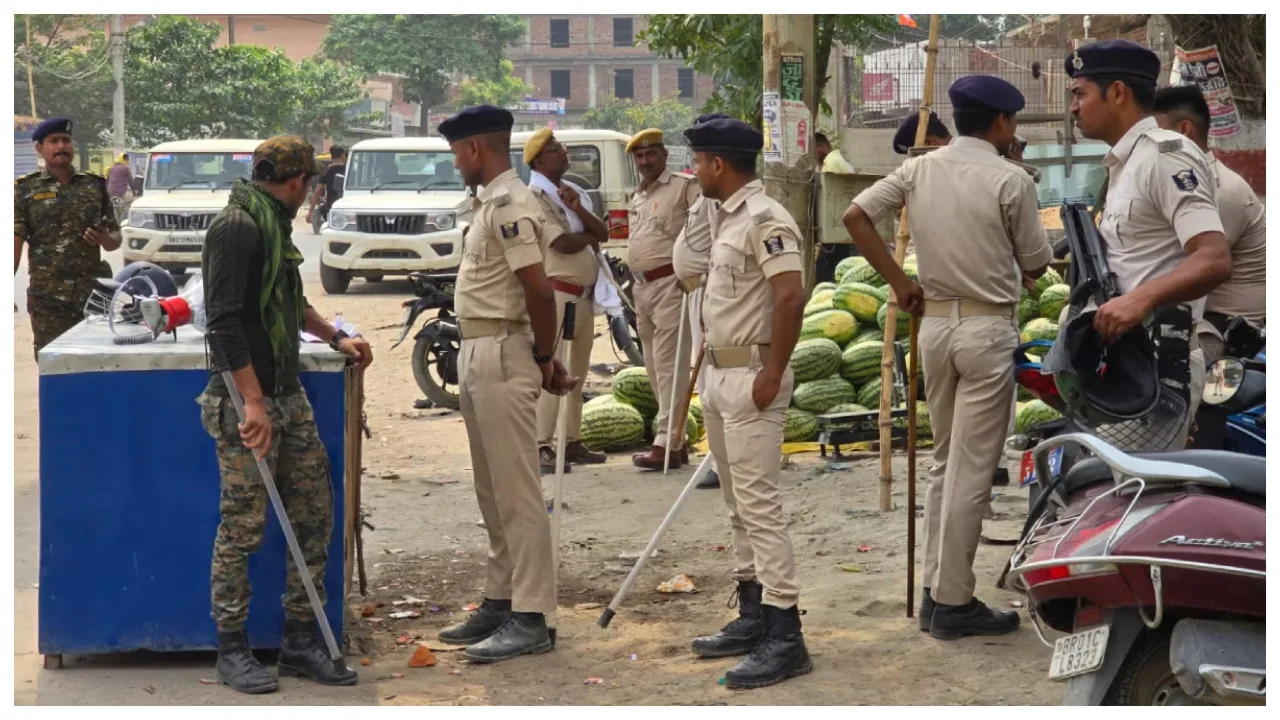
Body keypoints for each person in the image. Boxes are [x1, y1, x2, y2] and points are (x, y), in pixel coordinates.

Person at [844, 76, 1053, 640]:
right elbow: (1036, 263)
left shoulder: (918, 169)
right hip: (986, 328)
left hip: (932, 325)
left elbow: (855, 216)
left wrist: (898, 282)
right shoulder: (1011, 179)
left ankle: (939, 591)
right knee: (971, 470)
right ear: (1004, 124)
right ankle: (955, 601)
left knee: (942, 463)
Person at [198, 135, 373, 694]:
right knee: (243, 527)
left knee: (314, 513)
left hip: (287, 393)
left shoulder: (273, 224)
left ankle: (300, 639)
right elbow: (222, 324)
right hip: (244, 398)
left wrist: (336, 336)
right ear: (299, 183)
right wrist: (252, 402)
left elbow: (289, 302)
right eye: (312, 182)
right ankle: (232, 649)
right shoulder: (238, 228)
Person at [434, 105, 576, 663]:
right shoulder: (488, 203)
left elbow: (539, 292)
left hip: (503, 350)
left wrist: (544, 356)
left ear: (475, 150)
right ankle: (501, 597)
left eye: (455, 152)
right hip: (478, 348)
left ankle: (533, 615)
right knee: (492, 489)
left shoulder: (513, 204)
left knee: (517, 493)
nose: (455, 162)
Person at [684, 117, 811, 689]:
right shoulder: (723, 215)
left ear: (719, 164)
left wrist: (775, 371)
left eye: (699, 161)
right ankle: (754, 612)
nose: (694, 171)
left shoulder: (766, 218)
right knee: (738, 507)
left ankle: (786, 635)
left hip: (754, 376)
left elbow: (790, 296)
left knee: (761, 509)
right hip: (721, 376)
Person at [1066, 40, 1231, 440]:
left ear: (1118, 93)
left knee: (1143, 494)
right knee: (1114, 494)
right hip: (1122, 360)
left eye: (1079, 93)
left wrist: (1139, 300)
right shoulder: (1127, 162)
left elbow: (1213, 258)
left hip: (1157, 363)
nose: (1073, 107)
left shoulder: (1166, 155)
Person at [1152, 84, 1265, 365]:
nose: (1148, 143)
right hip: (1197, 314)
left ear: (1183, 131)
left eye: (1155, 133)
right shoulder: (1182, 179)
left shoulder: (1221, 190)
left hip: (1229, 330)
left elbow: (1185, 269)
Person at [524, 127, 610, 474]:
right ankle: (542, 443)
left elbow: (602, 233)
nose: (565, 153)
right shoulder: (535, 198)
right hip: (558, 293)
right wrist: (590, 236)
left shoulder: (569, 193)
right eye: (557, 149)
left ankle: (571, 441)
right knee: (552, 369)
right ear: (540, 160)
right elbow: (562, 244)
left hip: (581, 296)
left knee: (577, 370)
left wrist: (586, 226)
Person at [625, 128, 701, 471]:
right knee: (654, 369)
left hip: (671, 285)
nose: (644, 161)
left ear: (664, 154)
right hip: (640, 289)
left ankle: (665, 441)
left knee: (671, 367)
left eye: (650, 154)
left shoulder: (684, 188)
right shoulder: (637, 195)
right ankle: (677, 440)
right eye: (639, 156)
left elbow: (704, 231)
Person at [15, 117, 120, 357]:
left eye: (66, 140)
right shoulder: (24, 190)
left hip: (93, 295)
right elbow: (14, 241)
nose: (61, 146)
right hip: (49, 299)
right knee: (53, 364)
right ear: (40, 148)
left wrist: (104, 239)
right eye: (53, 141)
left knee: (98, 361)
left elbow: (116, 240)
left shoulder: (94, 186)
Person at [673, 113, 728, 490]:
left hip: (709, 292)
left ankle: (719, 460)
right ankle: (717, 457)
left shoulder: (715, 198)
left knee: (711, 381)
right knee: (705, 380)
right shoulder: (705, 191)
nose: (694, 165)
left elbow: (718, 248)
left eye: (698, 157)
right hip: (695, 293)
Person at [307, 146, 346, 229]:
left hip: (331, 208)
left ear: (331, 156)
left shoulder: (327, 172)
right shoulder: (350, 171)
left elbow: (317, 191)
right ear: (343, 155)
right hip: (347, 208)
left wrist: (310, 211)